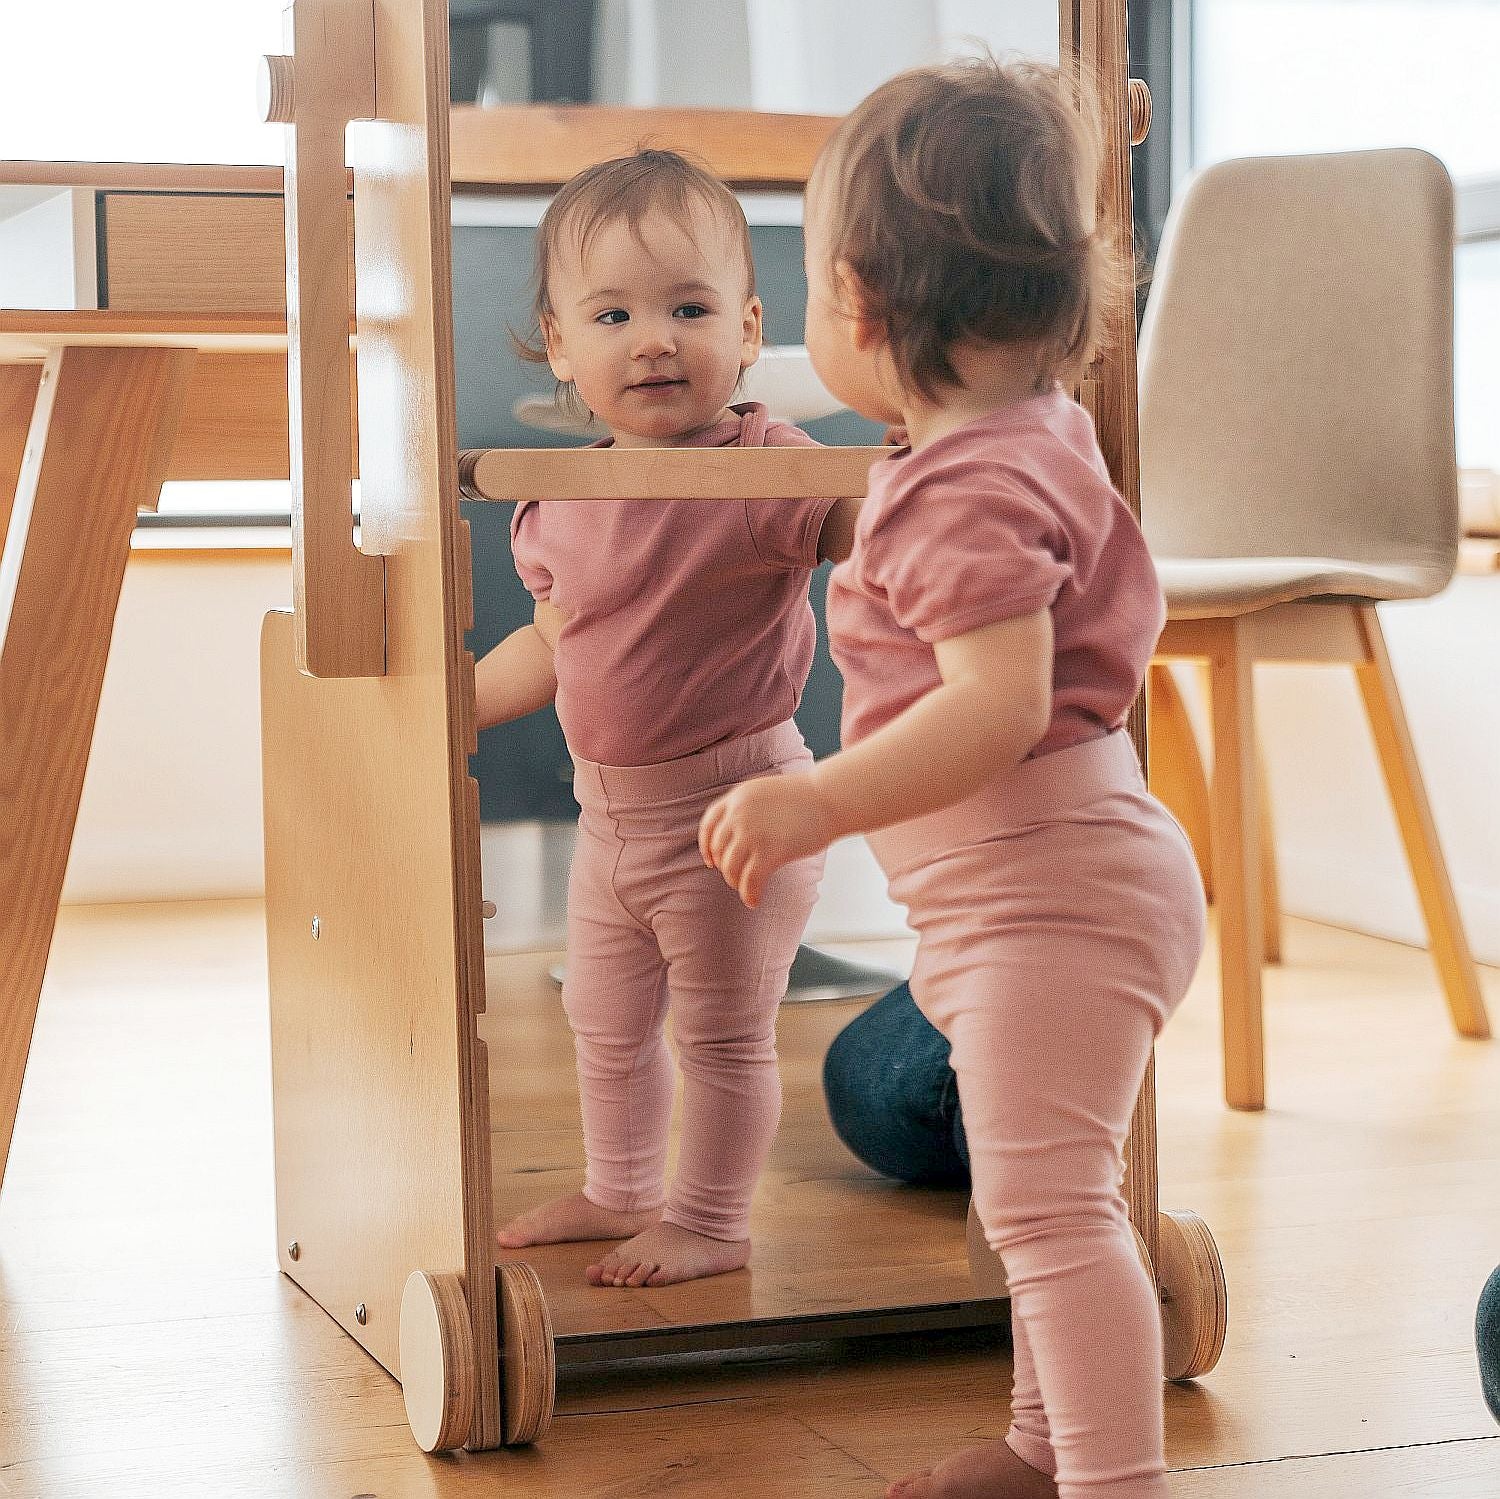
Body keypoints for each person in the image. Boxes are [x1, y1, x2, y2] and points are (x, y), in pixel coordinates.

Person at [700, 57, 1206, 1499]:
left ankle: (1115, 1475)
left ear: (858, 302)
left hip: (1051, 899)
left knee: (1049, 1213)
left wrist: (819, 796)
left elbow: (997, 706)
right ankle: (1046, 1450)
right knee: (1042, 1194)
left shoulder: (965, 488)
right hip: (1050, 886)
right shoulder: (1024, 432)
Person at [477, 149, 860, 1289]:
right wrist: (447, 708)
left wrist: (906, 471)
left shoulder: (766, 465)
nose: (655, 338)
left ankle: (708, 1216)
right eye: (615, 313)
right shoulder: (560, 496)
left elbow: (864, 523)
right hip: (611, 822)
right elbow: (550, 646)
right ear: (559, 343)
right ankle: (621, 1185)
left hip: (737, 807)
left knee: (724, 1033)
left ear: (748, 329)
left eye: (690, 308)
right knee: (604, 1017)